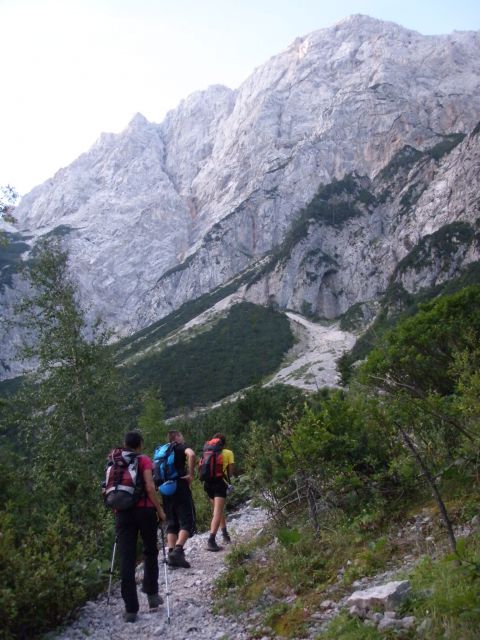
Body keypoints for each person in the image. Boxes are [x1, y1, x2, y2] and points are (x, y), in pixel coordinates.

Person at [115, 431, 166, 623]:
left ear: (125, 443)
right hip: (144, 511)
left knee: (126, 558)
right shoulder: (143, 459)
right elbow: (150, 487)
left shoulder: (114, 460)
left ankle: (130, 609)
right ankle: (152, 594)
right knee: (150, 551)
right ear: (140, 444)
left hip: (122, 513)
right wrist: (160, 510)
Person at [160, 430, 196, 568]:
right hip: (179, 486)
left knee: (172, 522)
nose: (183, 438)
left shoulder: (163, 451)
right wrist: (191, 474)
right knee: (187, 520)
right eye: (181, 435)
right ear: (176, 437)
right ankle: (178, 550)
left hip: (165, 489)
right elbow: (191, 454)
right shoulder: (179, 446)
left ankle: (171, 555)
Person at [203, 432, 235, 552]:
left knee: (217, 510)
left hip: (208, 484)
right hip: (220, 483)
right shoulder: (228, 453)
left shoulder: (207, 452)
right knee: (218, 511)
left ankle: (225, 534)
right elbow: (230, 472)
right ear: (224, 442)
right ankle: (211, 540)